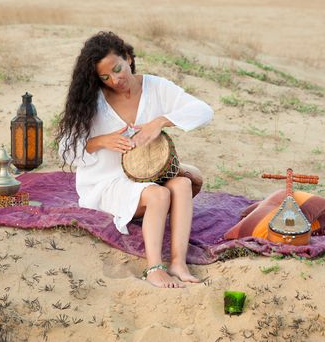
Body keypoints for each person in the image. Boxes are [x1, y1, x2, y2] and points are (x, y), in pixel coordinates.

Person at [56, 31, 213, 288]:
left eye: (118, 69)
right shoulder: (92, 101)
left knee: (182, 185)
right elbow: (66, 150)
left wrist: (160, 121)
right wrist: (100, 142)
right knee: (159, 195)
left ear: (128, 58)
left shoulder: (157, 87)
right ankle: (154, 268)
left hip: (147, 176)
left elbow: (204, 111)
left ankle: (178, 262)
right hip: (107, 183)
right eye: (105, 77)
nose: (115, 80)